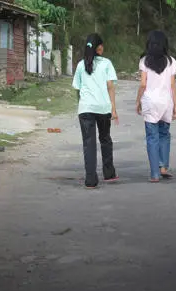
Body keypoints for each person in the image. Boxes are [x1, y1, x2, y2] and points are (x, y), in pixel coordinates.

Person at [72, 33, 119, 189]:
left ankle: (90, 180)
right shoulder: (106, 63)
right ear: (99, 47)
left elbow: (77, 89)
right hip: (103, 108)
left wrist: (83, 105)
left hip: (85, 109)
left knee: (89, 144)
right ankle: (109, 173)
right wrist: (113, 108)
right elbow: (110, 86)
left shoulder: (80, 65)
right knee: (105, 138)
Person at [136, 30, 176, 183]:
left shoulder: (144, 61)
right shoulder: (172, 61)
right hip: (166, 102)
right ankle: (163, 167)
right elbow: (173, 85)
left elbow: (142, 84)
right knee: (164, 134)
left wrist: (137, 101)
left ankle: (154, 174)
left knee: (152, 137)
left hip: (150, 102)